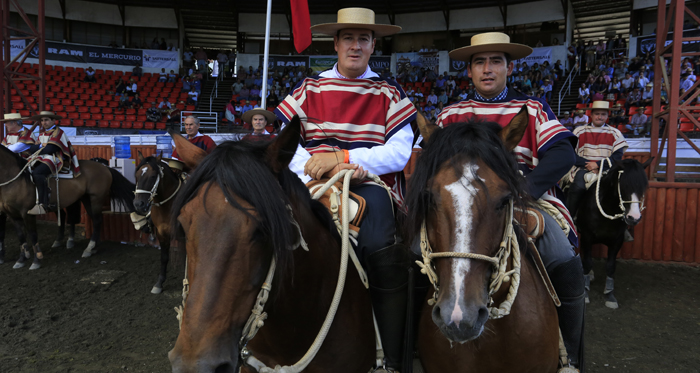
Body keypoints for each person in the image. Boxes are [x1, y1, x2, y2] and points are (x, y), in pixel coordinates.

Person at [274, 8, 416, 372]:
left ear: (373, 46)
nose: (356, 45)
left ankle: (393, 357)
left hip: (370, 185)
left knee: (380, 245)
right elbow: (287, 143)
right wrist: (308, 168)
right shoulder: (308, 88)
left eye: (363, 39)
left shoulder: (389, 91)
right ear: (336, 44)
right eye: (349, 38)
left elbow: (399, 153)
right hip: (310, 181)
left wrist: (342, 159)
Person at [435, 32, 585, 371]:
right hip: (462, 209)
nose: (487, 69)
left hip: (526, 201)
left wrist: (523, 188)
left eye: (495, 61)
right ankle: (408, 352)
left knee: (563, 256)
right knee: (415, 251)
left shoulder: (531, 108)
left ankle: (571, 358)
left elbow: (563, 152)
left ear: (510, 67)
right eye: (479, 62)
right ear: (469, 70)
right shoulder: (450, 115)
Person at [564, 101, 628, 218]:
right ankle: (569, 219)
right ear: (591, 115)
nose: (600, 117)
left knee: (623, 190)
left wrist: (598, 165)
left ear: (607, 116)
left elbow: (617, 157)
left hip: (607, 169)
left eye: (603, 114)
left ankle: (623, 222)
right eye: (597, 114)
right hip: (582, 168)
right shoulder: (579, 131)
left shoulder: (615, 133)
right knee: (578, 187)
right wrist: (589, 165)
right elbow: (571, 154)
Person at [25, 112, 80, 215]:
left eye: (46, 120)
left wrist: (39, 146)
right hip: (41, 157)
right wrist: (43, 145)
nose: (43, 122)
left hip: (54, 158)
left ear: (53, 121)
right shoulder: (41, 134)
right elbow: (32, 149)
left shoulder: (58, 132)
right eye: (42, 120)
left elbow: (52, 148)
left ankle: (43, 203)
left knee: (38, 173)